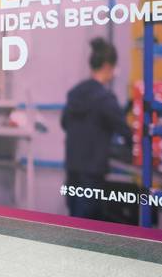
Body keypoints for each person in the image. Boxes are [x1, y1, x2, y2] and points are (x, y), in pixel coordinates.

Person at [61, 37, 132, 220]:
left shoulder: (75, 93)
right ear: (108, 66)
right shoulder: (105, 98)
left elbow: (64, 123)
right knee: (89, 226)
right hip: (92, 173)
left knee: (75, 222)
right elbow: (124, 130)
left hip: (73, 168)